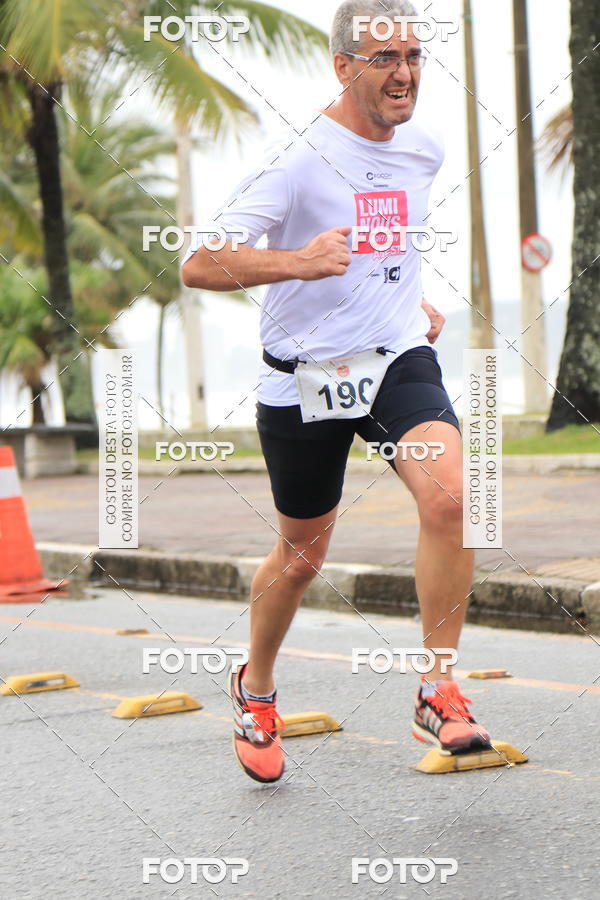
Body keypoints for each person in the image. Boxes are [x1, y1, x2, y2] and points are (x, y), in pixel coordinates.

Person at [182, 0, 492, 784]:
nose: (405, 73)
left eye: (415, 56)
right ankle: (255, 689)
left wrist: (406, 296)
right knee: (300, 554)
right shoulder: (296, 161)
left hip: (392, 359)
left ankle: (438, 685)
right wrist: (299, 263)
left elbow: (389, 234)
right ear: (343, 66)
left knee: (453, 497)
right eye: (386, 57)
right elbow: (199, 263)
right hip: (305, 377)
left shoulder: (423, 147)